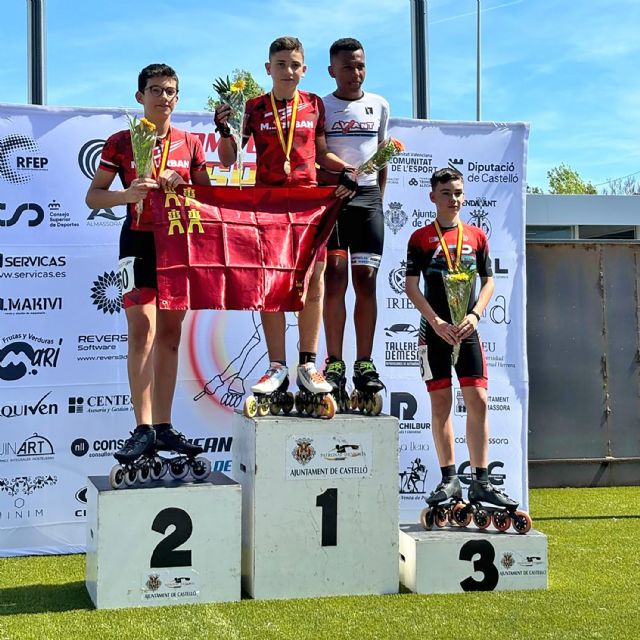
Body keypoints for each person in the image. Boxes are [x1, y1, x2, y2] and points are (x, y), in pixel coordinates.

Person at [214, 36, 357, 412]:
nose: (288, 71)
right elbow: (229, 159)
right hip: (269, 207)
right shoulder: (253, 106)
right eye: (281, 64)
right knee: (271, 285)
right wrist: (225, 131)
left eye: (294, 65)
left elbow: (323, 153)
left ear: (304, 69)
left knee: (314, 281)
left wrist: (349, 170)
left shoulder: (313, 105)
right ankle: (277, 365)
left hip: (310, 204)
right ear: (268, 69)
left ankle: (308, 364)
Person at [86, 63, 211, 474]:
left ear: (178, 97)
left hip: (177, 245)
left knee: (171, 337)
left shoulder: (191, 143)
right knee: (142, 330)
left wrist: (186, 184)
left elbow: (210, 200)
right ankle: (142, 427)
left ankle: (163, 424)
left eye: (170, 90)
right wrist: (128, 194)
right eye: (155, 90)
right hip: (136, 242)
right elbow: (93, 198)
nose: (163, 97)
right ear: (140, 97)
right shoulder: (122, 141)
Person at [404, 167, 519, 515]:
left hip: (467, 330)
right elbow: (410, 286)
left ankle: (482, 481)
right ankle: (450, 477)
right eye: (446, 193)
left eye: (458, 192)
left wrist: (475, 315)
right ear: (432, 197)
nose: (454, 199)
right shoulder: (420, 238)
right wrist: (436, 321)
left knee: (479, 401)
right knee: (441, 406)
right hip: (434, 333)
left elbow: (488, 282)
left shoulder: (477, 236)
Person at [320, 37, 390, 412]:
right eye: (347, 67)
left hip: (366, 202)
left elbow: (382, 158)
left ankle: (364, 364)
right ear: (332, 70)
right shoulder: (321, 106)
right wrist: (344, 173)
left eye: (360, 65)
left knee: (366, 282)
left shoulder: (378, 105)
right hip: (334, 200)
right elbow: (317, 153)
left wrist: (375, 196)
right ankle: (334, 363)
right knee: (335, 278)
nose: (355, 73)